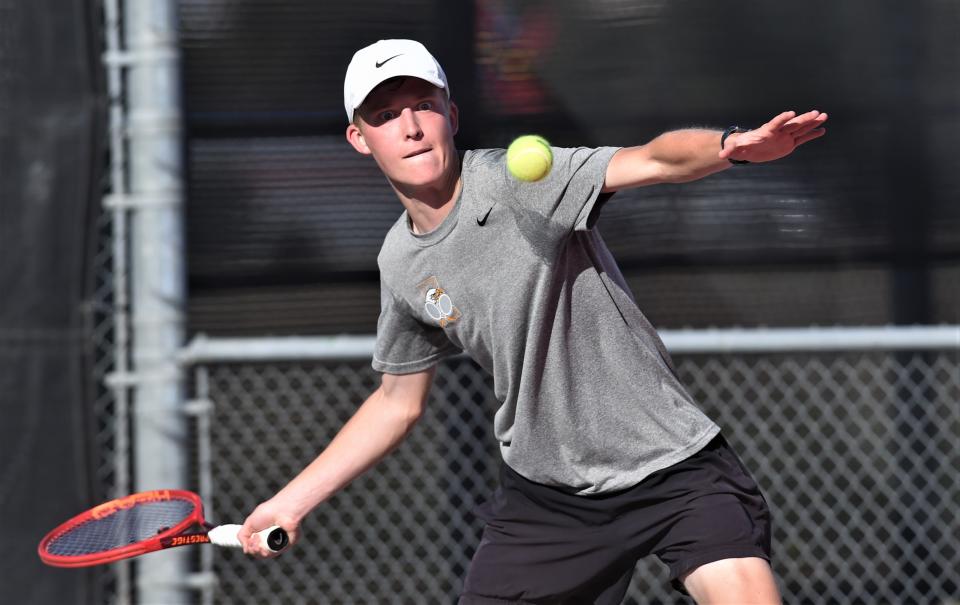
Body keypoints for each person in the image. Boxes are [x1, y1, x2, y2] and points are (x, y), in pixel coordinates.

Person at [238, 39, 828, 604]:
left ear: (451, 113)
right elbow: (397, 402)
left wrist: (731, 147)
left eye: (424, 105)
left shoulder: (521, 181)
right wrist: (290, 502)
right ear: (359, 138)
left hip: (671, 465)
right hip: (550, 502)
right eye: (386, 115)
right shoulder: (401, 262)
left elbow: (650, 160)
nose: (411, 128)